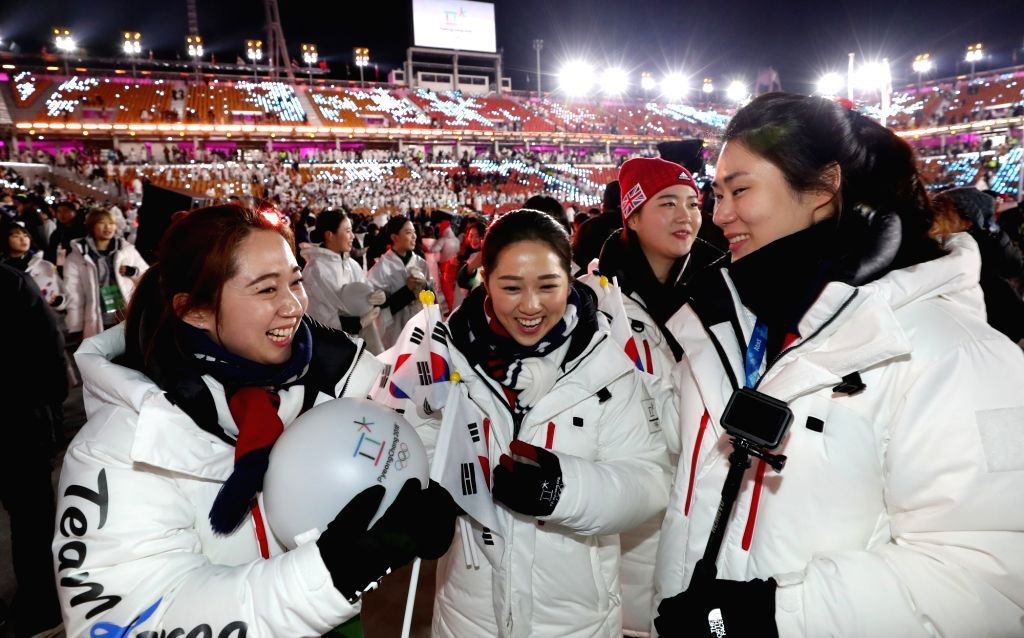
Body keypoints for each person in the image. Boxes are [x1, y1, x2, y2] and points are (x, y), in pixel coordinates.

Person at [654, 92, 1024, 636]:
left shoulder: (953, 352)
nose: (719, 214)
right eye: (716, 193)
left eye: (739, 190)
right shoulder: (728, 329)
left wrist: (777, 617)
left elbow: (990, 577)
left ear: (825, 187)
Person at [54, 204, 459, 636]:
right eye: (267, 290)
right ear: (195, 311)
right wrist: (329, 576)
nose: (293, 307)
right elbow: (131, 617)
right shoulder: (121, 445)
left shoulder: (328, 375)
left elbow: (401, 429)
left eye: (295, 282)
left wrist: (423, 494)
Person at [430, 209, 671, 637]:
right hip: (470, 614)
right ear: (485, 279)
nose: (530, 306)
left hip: (573, 618)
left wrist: (563, 491)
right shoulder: (444, 358)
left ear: (570, 279)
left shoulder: (607, 368)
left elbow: (650, 481)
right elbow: (417, 445)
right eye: (510, 287)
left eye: (548, 286)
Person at [580, 157, 725, 637]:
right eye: (667, 204)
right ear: (632, 216)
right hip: (623, 503)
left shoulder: (725, 291)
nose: (686, 216)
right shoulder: (593, 301)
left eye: (693, 203)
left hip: (701, 490)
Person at [1, 262, 67, 638]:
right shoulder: (11, 281)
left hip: (18, 420)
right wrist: (49, 408)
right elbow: (49, 347)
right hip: (19, 422)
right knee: (32, 519)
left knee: (32, 519)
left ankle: (40, 605)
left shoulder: (12, 282)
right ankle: (41, 607)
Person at [931, 187, 1024, 343]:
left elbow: (1013, 267)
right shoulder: (932, 246)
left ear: (967, 222)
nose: (936, 217)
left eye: (944, 212)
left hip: (997, 327)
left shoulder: (985, 245)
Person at [302, 209, 386, 354]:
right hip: (332, 350)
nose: (352, 236)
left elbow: (363, 289)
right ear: (330, 235)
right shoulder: (315, 270)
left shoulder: (351, 264)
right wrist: (357, 323)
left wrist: (374, 297)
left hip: (358, 343)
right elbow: (320, 317)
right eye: (347, 231)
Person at [64, 207, 149, 339]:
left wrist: (133, 271)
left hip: (124, 311)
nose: (108, 227)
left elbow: (146, 276)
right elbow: (74, 292)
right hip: (96, 314)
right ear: (92, 226)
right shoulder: (78, 256)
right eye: (102, 223)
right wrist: (76, 325)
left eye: (111, 223)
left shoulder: (126, 250)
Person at [366, 215, 432, 349]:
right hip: (394, 333)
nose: (414, 236)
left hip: (420, 328)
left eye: (414, 232)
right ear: (394, 237)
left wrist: (426, 286)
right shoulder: (380, 269)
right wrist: (406, 291)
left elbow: (432, 299)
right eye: (408, 232)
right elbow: (376, 309)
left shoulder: (421, 263)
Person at [3, 222, 68, 312]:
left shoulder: (44, 265)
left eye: (25, 235)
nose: (23, 239)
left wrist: (57, 302)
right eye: (16, 236)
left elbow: (63, 292)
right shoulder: (5, 270)